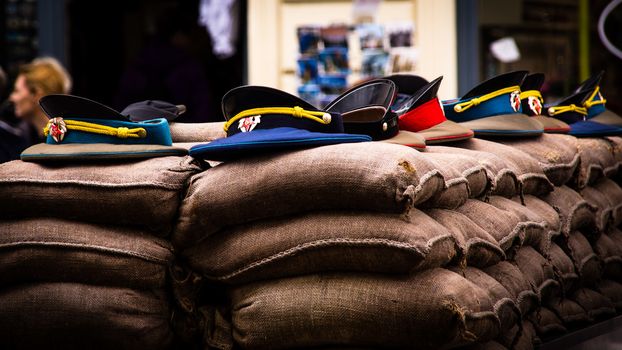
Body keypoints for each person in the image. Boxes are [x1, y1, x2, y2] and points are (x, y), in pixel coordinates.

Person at [9, 57, 72, 140]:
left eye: (17, 91)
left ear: (37, 94)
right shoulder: (23, 137)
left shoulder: (65, 141)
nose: (12, 98)